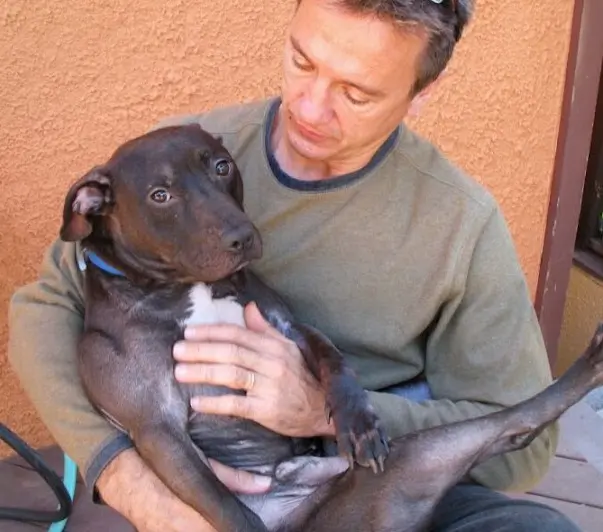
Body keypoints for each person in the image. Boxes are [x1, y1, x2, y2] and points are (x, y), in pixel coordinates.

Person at [8, 0, 580, 531]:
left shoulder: (461, 222)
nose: (308, 107)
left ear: (423, 92)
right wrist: (126, 479)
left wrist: (326, 410)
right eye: (301, 60)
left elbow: (524, 451)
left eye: (355, 94)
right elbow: (44, 306)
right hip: (202, 479)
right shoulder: (193, 155)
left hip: (369, 468)